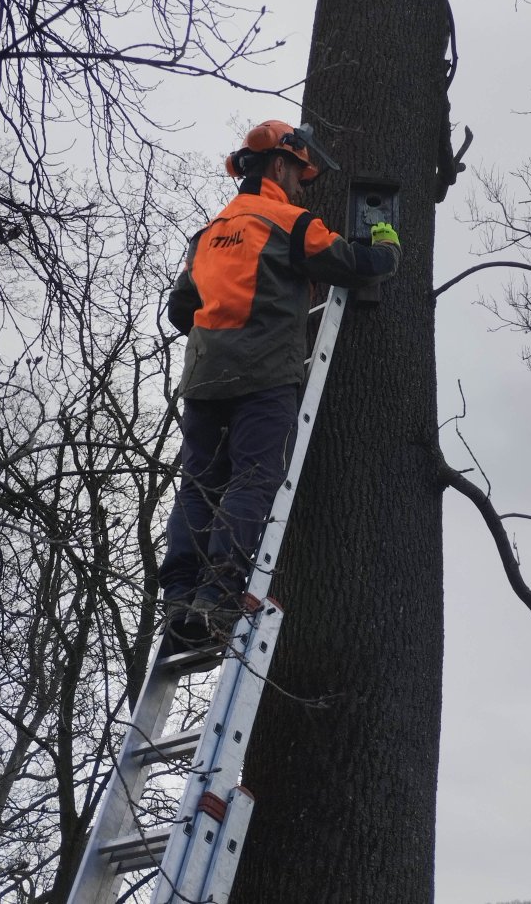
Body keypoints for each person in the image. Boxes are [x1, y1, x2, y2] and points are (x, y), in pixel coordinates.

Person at [160, 120, 401, 648]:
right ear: (277, 165)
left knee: (200, 484)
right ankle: (220, 595)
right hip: (263, 375)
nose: (301, 185)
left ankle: (179, 594)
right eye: (298, 173)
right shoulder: (289, 222)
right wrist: (386, 245)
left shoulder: (206, 236)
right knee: (251, 479)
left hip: (203, 379)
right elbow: (354, 263)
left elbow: (183, 309)